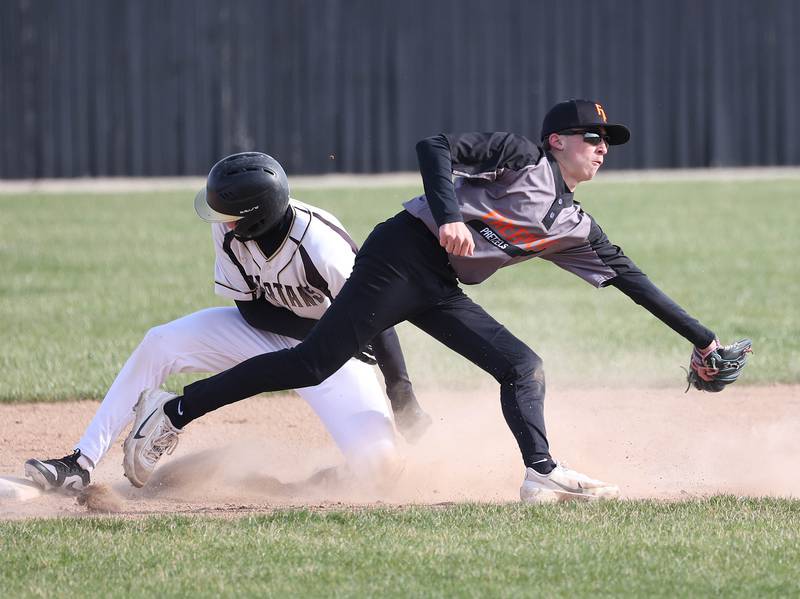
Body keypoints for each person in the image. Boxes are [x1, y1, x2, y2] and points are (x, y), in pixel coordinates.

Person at [123, 99, 729, 503]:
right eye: (591, 137)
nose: (601, 147)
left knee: (521, 365)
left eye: (607, 141)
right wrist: (447, 216)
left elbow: (634, 281)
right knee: (312, 362)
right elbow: (434, 146)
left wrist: (702, 340)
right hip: (399, 253)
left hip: (439, 286)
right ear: (557, 141)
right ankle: (174, 413)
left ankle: (541, 474)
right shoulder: (521, 157)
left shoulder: (575, 226)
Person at [25, 152, 430, 492]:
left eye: (230, 212)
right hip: (274, 333)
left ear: (257, 217)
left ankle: (323, 483)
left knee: (381, 469)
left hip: (338, 360)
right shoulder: (228, 232)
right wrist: (323, 335)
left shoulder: (323, 248)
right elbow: (251, 309)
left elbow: (380, 319)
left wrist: (402, 395)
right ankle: (79, 463)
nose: (220, 218)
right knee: (160, 342)